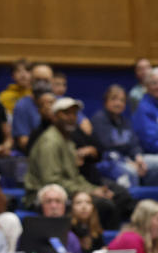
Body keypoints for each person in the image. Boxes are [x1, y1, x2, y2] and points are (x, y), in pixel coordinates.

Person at [23, 97, 120, 229]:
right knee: (104, 206)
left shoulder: (67, 140)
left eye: (74, 114)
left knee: (115, 197)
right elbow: (52, 182)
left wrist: (93, 189)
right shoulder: (50, 142)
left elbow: (75, 177)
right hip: (43, 196)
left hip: (67, 190)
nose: (71, 117)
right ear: (55, 117)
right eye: (66, 113)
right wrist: (89, 193)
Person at [91, 85, 152, 188]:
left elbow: (134, 144)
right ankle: (133, 201)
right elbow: (106, 149)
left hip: (128, 160)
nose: (118, 103)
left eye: (122, 100)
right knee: (131, 172)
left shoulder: (125, 121)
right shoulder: (99, 120)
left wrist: (138, 158)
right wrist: (128, 162)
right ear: (106, 101)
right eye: (114, 99)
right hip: (108, 163)